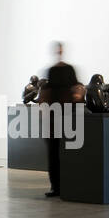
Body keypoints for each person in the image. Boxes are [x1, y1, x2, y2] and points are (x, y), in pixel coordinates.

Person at [39, 40, 79, 198]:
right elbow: (47, 93)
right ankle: (57, 186)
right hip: (56, 116)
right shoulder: (53, 71)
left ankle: (61, 186)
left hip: (64, 115)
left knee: (61, 151)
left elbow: (76, 89)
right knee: (55, 152)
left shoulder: (67, 70)